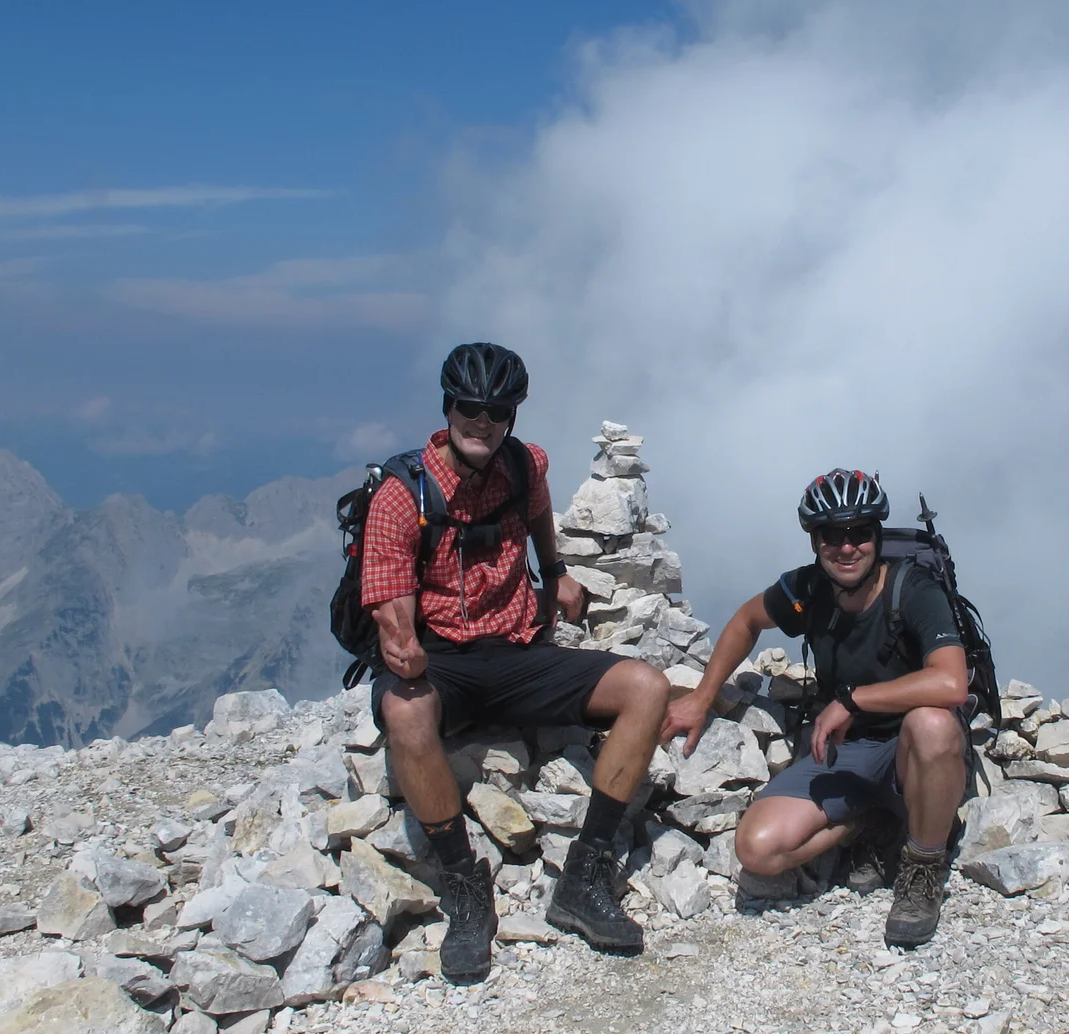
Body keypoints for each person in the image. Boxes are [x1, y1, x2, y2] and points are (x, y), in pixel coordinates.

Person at [363, 342, 670, 977]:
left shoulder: (526, 466)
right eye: (470, 408)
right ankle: (464, 887)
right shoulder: (401, 494)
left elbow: (536, 522)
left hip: (519, 651)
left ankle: (583, 879)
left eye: (497, 410)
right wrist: (403, 643)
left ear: (512, 415)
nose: (483, 421)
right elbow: (391, 608)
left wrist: (554, 573)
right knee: (406, 712)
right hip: (442, 661)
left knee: (645, 686)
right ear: (449, 408)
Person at [659, 468, 970, 948]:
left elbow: (951, 681)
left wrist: (852, 700)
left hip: (914, 750)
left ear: (878, 535)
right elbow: (747, 619)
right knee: (757, 848)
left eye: (860, 532)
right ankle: (871, 822)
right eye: (832, 535)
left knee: (930, 722)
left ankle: (922, 868)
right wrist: (702, 696)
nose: (847, 547)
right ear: (814, 541)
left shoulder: (914, 590)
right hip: (848, 753)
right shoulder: (808, 591)